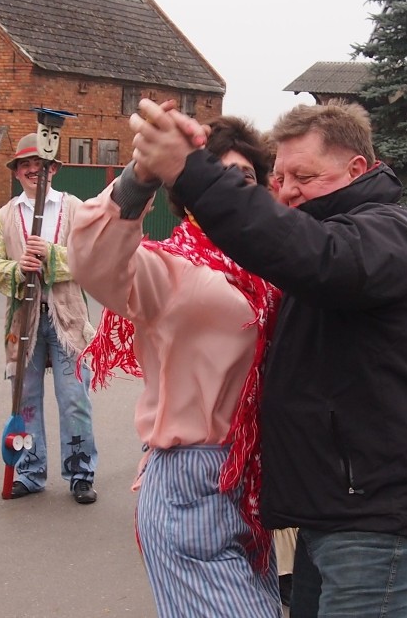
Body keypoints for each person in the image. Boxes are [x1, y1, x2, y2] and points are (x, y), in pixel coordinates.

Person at [129, 99, 407, 618]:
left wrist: (190, 170)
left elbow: (312, 254)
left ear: (356, 169)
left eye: (303, 176)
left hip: (382, 524)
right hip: (338, 516)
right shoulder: (337, 237)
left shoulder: (388, 232)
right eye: (280, 176)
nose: (285, 190)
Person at [68, 116, 283, 617]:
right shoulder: (170, 267)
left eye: (245, 179)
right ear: (189, 196)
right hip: (191, 480)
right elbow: (94, 261)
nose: (231, 189)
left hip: (253, 482)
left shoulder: (276, 264)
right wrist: (142, 174)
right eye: (216, 177)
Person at [0, 132, 98, 504]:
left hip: (68, 320)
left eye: (40, 165)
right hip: (23, 322)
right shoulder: (4, 216)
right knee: (24, 399)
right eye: (26, 165)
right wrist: (18, 269)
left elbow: (90, 258)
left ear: (54, 168)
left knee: (74, 397)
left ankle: (80, 472)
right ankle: (30, 472)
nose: (34, 170)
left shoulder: (75, 208)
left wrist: (51, 256)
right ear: (17, 173)